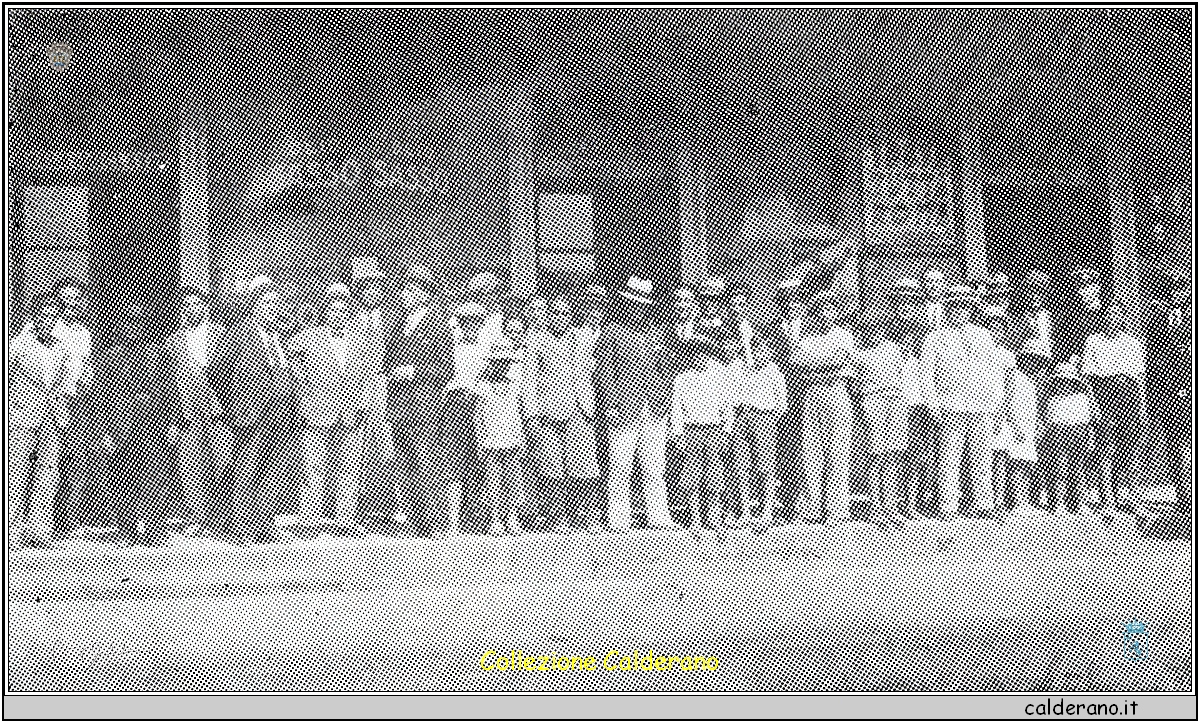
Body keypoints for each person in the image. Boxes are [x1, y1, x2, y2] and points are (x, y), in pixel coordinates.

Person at [207, 275, 298, 545]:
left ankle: (266, 525)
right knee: (247, 469)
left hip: (279, 414)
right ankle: (244, 528)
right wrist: (234, 404)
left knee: (273, 472)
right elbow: (215, 371)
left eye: (275, 303)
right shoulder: (238, 335)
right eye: (265, 303)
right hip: (250, 414)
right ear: (254, 305)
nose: (271, 308)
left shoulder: (278, 337)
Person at [594, 276, 676, 532]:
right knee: (620, 466)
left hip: (654, 408)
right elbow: (604, 373)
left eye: (641, 304)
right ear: (625, 303)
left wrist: (665, 399)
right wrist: (611, 406)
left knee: (654, 466)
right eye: (632, 303)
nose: (636, 307)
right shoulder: (611, 332)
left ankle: (659, 517)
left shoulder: (658, 332)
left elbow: (668, 370)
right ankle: (619, 520)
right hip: (623, 408)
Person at [288, 284, 370, 536]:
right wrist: (305, 396)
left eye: (343, 309)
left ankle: (346, 521)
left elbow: (365, 376)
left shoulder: (359, 339)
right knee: (314, 467)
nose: (338, 313)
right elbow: (291, 365)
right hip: (316, 412)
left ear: (349, 312)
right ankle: (311, 522)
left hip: (349, 413)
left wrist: (362, 405)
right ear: (326, 311)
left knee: (349, 467)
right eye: (333, 309)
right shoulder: (308, 337)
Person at [92, 303, 174, 547]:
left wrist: (170, 423)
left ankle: (156, 530)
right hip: (120, 424)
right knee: (122, 478)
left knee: (155, 477)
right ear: (119, 326)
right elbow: (101, 397)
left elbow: (168, 392)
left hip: (152, 423)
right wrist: (104, 432)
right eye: (127, 321)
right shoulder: (108, 357)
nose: (132, 327)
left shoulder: (156, 354)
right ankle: (127, 530)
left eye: (137, 322)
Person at [920, 285, 1003, 522]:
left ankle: (984, 503)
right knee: (950, 456)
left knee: (981, 455)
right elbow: (927, 375)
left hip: (980, 404)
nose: (959, 312)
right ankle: (948, 505)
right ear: (947, 309)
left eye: (964, 307)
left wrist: (995, 401)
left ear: (970, 310)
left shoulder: (982, 336)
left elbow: (993, 370)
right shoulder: (934, 338)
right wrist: (933, 404)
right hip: (950, 404)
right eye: (955, 307)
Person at [384, 264, 455, 538]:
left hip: (426, 403)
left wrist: (414, 371)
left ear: (425, 292)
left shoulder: (437, 323)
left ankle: (436, 524)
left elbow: (447, 368)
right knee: (405, 463)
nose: (407, 294)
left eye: (414, 288)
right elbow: (387, 363)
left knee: (428, 462)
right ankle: (416, 524)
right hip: (400, 405)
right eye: (406, 289)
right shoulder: (398, 325)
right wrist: (393, 373)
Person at [522, 296, 602, 534]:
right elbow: (529, 379)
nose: (561, 318)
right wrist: (532, 413)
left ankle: (588, 516)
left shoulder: (580, 338)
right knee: (552, 468)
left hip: (579, 409)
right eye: (556, 313)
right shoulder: (536, 341)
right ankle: (558, 519)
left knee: (584, 466)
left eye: (565, 314)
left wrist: (591, 407)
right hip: (547, 412)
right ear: (549, 316)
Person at [162, 286, 228, 537]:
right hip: (186, 414)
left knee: (223, 463)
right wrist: (171, 420)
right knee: (191, 470)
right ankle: (199, 521)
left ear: (205, 306)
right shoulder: (173, 342)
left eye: (197, 304)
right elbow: (168, 384)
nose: (192, 309)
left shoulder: (221, 335)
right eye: (186, 305)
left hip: (218, 412)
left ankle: (221, 520)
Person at [8, 294, 70, 550]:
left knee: (47, 471)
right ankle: (10, 530)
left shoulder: (62, 348)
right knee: (16, 472)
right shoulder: (17, 345)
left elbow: (64, 383)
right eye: (43, 316)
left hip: (50, 417)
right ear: (34, 318)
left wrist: (61, 411)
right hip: (22, 415)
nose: (48, 322)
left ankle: (39, 529)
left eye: (53, 317)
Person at [793, 290, 856, 525]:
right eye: (821, 310)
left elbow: (848, 362)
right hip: (813, 393)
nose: (826, 313)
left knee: (838, 450)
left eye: (830, 308)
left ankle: (837, 510)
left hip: (837, 392)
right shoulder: (807, 336)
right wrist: (830, 360)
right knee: (812, 451)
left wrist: (820, 361)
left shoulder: (844, 335)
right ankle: (813, 508)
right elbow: (798, 360)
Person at [1081, 300, 1147, 514]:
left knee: (1130, 451)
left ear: (1122, 318)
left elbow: (1138, 379)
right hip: (1105, 395)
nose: (1112, 318)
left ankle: (1134, 499)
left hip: (1129, 397)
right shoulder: (1093, 341)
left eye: (1116, 314)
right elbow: (1089, 378)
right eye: (1108, 314)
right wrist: (1093, 405)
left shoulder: (1133, 343)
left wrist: (1142, 408)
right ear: (1104, 318)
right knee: (1105, 449)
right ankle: (1108, 502)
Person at [348, 256, 398, 527]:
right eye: (364, 286)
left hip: (385, 388)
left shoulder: (393, 318)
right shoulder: (352, 320)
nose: (370, 290)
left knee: (386, 450)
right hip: (358, 388)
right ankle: (368, 511)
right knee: (361, 451)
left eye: (375, 285)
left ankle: (392, 509)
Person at [670, 337, 735, 539]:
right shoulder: (682, 379)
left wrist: (727, 430)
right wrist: (678, 434)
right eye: (696, 355)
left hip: (714, 429)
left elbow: (727, 406)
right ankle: (696, 521)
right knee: (692, 477)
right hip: (692, 430)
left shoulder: (717, 379)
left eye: (705, 355)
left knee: (714, 477)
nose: (700, 359)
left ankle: (715, 520)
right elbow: (676, 409)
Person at [851, 309, 907, 530]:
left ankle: (892, 507)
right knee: (877, 455)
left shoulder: (894, 351)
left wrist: (898, 398)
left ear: (883, 330)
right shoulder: (858, 355)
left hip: (895, 401)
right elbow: (854, 384)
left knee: (893, 454)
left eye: (877, 329)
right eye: (867, 330)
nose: (873, 334)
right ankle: (876, 508)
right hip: (872, 401)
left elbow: (902, 377)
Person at [48, 278, 96, 535]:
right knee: (55, 458)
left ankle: (72, 518)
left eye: (76, 300)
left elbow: (86, 365)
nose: (71, 305)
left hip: (80, 399)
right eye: (66, 301)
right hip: (56, 398)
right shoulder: (49, 329)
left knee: (78, 457)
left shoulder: (84, 333)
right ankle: (52, 521)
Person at [1145, 268, 1191, 520]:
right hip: (1170, 394)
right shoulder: (1158, 322)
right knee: (1176, 447)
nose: (1180, 294)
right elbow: (1153, 361)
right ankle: (1184, 499)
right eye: (1175, 289)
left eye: (1184, 288)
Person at [729, 333, 788, 532]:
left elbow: (782, 401)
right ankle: (746, 511)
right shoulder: (737, 367)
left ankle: (767, 512)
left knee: (766, 466)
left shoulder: (772, 370)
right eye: (754, 349)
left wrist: (768, 418)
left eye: (763, 350)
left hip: (764, 417)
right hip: (741, 416)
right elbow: (731, 393)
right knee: (741, 465)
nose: (758, 354)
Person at [889, 277, 936, 518]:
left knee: (925, 452)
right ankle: (905, 502)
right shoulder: (890, 331)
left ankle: (923, 500)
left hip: (922, 397)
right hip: (899, 399)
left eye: (910, 299)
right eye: (901, 299)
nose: (906, 305)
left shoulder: (927, 332)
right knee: (902, 452)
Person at [444, 301, 491, 532]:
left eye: (475, 322)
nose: (470, 327)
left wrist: (477, 388)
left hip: (483, 407)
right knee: (456, 463)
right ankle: (455, 522)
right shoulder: (452, 345)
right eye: (466, 323)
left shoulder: (487, 347)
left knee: (481, 462)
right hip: (456, 407)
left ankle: (479, 518)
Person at [474, 339, 527, 536]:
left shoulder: (514, 386)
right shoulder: (482, 387)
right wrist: (480, 442)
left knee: (513, 481)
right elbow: (478, 417)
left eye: (505, 362)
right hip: (490, 441)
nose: (502, 366)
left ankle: (512, 516)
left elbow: (517, 414)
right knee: (493, 482)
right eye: (498, 362)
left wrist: (521, 439)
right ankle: (495, 519)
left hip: (511, 439)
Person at [1043, 362, 1097, 516]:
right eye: (1060, 381)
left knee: (1078, 470)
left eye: (1067, 381)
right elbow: (1049, 423)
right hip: (1059, 437)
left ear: (1073, 383)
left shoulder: (1081, 398)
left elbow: (1088, 423)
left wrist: (1090, 440)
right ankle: (1058, 503)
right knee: (1060, 469)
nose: (1063, 384)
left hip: (1079, 435)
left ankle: (1078, 503)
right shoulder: (1052, 400)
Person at [1010, 338, 1052, 516]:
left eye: (1038, 361)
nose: (1035, 364)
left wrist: (1039, 424)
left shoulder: (1038, 381)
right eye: (1031, 359)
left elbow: (1040, 406)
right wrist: (1015, 425)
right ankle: (1020, 502)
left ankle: (1031, 500)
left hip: (1032, 424)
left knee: (1031, 464)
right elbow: (1009, 403)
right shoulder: (1016, 378)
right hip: (1017, 424)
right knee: (1019, 463)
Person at [983, 309, 1017, 518]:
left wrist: (1006, 411)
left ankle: (1001, 502)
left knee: (1002, 456)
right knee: (985, 457)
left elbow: (1010, 385)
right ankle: (987, 503)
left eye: (999, 329)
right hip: (982, 407)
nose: (996, 332)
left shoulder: (1007, 355)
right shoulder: (979, 351)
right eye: (992, 328)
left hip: (1001, 407)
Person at [1011, 270, 1054, 355]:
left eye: (1041, 290)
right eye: (1031, 289)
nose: (1035, 294)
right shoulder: (1016, 319)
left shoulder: (1053, 319)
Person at [921, 268, 949, 332]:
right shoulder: (919, 308)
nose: (934, 285)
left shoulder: (951, 306)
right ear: (923, 285)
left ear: (944, 284)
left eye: (937, 281)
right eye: (929, 282)